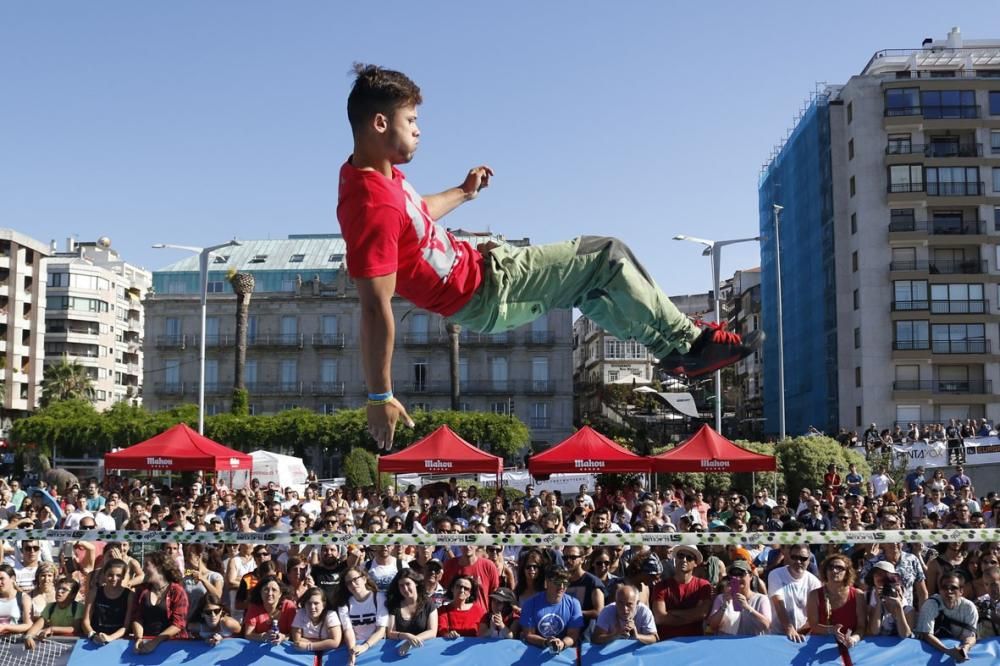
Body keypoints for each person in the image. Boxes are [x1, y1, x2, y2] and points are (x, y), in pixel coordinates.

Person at [337, 64, 762, 450]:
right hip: (487, 288)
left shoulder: (379, 176)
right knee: (606, 254)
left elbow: (416, 213)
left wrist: (463, 193)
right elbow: (375, 308)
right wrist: (380, 395)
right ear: (379, 123)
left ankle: (676, 352)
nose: (418, 130)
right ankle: (690, 342)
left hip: (483, 280)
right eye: (411, 121)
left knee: (593, 287)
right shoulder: (371, 205)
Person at [130, 551, 189, 654]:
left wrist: (155, 641)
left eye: (146, 565)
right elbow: (136, 617)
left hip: (171, 645)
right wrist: (139, 638)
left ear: (160, 567)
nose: (143, 569)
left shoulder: (177, 591)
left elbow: (178, 624)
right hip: (146, 643)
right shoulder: (142, 590)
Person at [652, 544, 712, 639]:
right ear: (676, 559)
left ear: (695, 563)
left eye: (689, 557)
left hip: (693, 642)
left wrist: (673, 613)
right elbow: (660, 618)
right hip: (666, 642)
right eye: (681, 556)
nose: (684, 559)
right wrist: (692, 616)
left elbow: (702, 614)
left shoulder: (703, 585)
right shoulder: (661, 586)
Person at [519, 565, 583, 654]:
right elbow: (528, 634)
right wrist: (546, 642)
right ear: (546, 583)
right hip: (534, 652)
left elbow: (573, 634)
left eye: (565, 583)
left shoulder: (574, 604)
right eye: (557, 582)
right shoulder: (530, 604)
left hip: (564, 653)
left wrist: (563, 643)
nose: (561, 586)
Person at [916, 571, 978, 662]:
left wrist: (965, 648)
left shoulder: (969, 608)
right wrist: (947, 651)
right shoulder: (931, 604)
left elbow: (971, 636)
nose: (949, 591)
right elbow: (926, 634)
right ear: (940, 590)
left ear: (961, 591)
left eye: (953, 588)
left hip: (956, 646)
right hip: (931, 648)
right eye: (944, 587)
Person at [806, 554, 864, 651]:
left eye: (840, 568)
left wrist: (853, 639)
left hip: (849, 648)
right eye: (830, 567)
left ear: (847, 572)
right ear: (825, 571)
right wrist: (831, 630)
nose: (834, 571)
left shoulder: (858, 595)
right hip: (819, 645)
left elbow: (861, 627)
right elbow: (813, 625)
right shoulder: (814, 595)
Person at [769, 543, 822, 642]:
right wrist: (789, 628)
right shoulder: (775, 574)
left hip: (803, 636)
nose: (798, 561)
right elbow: (778, 603)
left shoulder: (814, 581)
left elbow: (815, 613)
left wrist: (798, 633)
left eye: (803, 558)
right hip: (777, 635)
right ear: (788, 557)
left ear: (809, 558)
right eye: (794, 557)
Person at [707, 560, 772, 636]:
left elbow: (767, 625)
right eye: (733, 574)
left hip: (753, 645)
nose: (737, 578)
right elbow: (712, 626)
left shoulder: (761, 599)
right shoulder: (721, 598)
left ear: (750, 576)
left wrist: (748, 608)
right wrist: (723, 606)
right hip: (727, 644)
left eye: (741, 574)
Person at [336, 565, 388, 660]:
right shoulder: (344, 604)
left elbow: (381, 630)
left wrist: (365, 646)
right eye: (348, 583)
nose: (353, 584)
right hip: (355, 645)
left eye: (355, 579)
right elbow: (348, 630)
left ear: (364, 579)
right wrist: (352, 651)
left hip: (376, 645)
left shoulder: (379, 598)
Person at [83, 559, 134, 645]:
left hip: (119, 640)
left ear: (124, 576)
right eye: (110, 575)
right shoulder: (94, 592)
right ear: (104, 575)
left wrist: (110, 638)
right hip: (95, 639)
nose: (114, 579)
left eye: (119, 575)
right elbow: (85, 621)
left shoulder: (130, 595)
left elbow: (126, 626)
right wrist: (92, 635)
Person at [386, 569, 438, 652]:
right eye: (401, 585)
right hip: (398, 651)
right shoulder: (395, 604)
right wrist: (406, 636)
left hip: (423, 649)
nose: (405, 589)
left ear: (416, 583)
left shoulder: (428, 603)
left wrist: (410, 642)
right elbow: (390, 633)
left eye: (408, 584)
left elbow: (432, 631)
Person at [24, 578, 83, 650]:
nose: (59, 591)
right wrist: (29, 636)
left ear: (73, 595)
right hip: (54, 647)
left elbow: (75, 628)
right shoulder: (50, 606)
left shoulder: (78, 607)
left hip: (73, 648)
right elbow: (39, 624)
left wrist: (52, 629)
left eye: (64, 590)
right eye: (58, 588)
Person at [592, 583, 658, 645]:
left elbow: (655, 638)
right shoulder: (607, 611)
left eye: (629, 604)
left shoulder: (644, 611)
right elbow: (595, 638)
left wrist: (637, 636)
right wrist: (615, 635)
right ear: (616, 601)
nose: (624, 609)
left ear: (637, 603)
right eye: (620, 603)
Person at [865, 561, 913, 638]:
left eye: (883, 574)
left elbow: (905, 635)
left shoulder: (907, 608)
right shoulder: (868, 597)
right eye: (876, 574)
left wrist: (898, 606)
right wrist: (878, 603)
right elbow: (874, 631)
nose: (879, 577)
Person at [243, 575, 297, 643]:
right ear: (260, 592)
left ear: (280, 593)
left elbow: (294, 635)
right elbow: (248, 635)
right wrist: (262, 637)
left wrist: (282, 637)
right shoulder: (254, 607)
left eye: (274, 590)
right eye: (266, 589)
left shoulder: (289, 606)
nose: (270, 593)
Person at [289, 586, 343, 652]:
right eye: (309, 603)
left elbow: (335, 642)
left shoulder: (331, 615)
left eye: (316, 603)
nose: (312, 607)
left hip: (328, 653)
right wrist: (325, 642)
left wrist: (309, 646)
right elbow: (297, 640)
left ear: (324, 604)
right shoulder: (301, 613)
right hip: (306, 654)